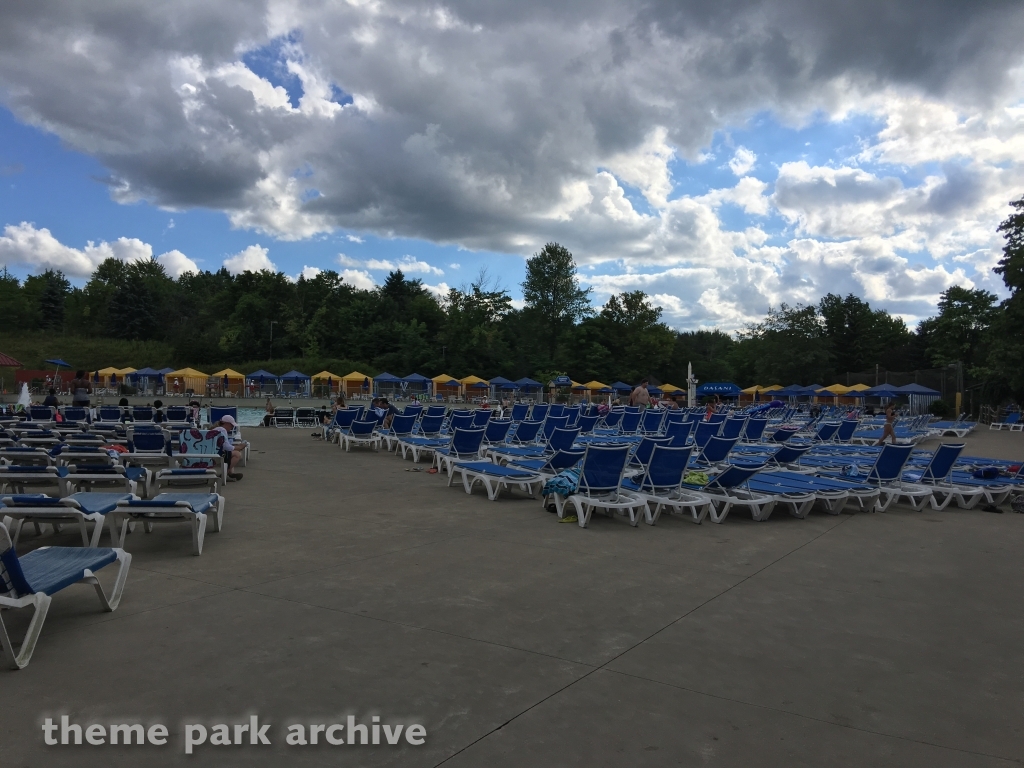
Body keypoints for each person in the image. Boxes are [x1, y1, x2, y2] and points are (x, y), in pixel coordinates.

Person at [212, 414, 246, 480]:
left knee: (231, 453)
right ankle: (225, 474)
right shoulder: (222, 430)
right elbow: (226, 447)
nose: (232, 427)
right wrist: (239, 447)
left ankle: (230, 473)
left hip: (212, 451)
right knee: (237, 454)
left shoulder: (216, 429)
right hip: (216, 453)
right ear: (227, 423)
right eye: (231, 425)